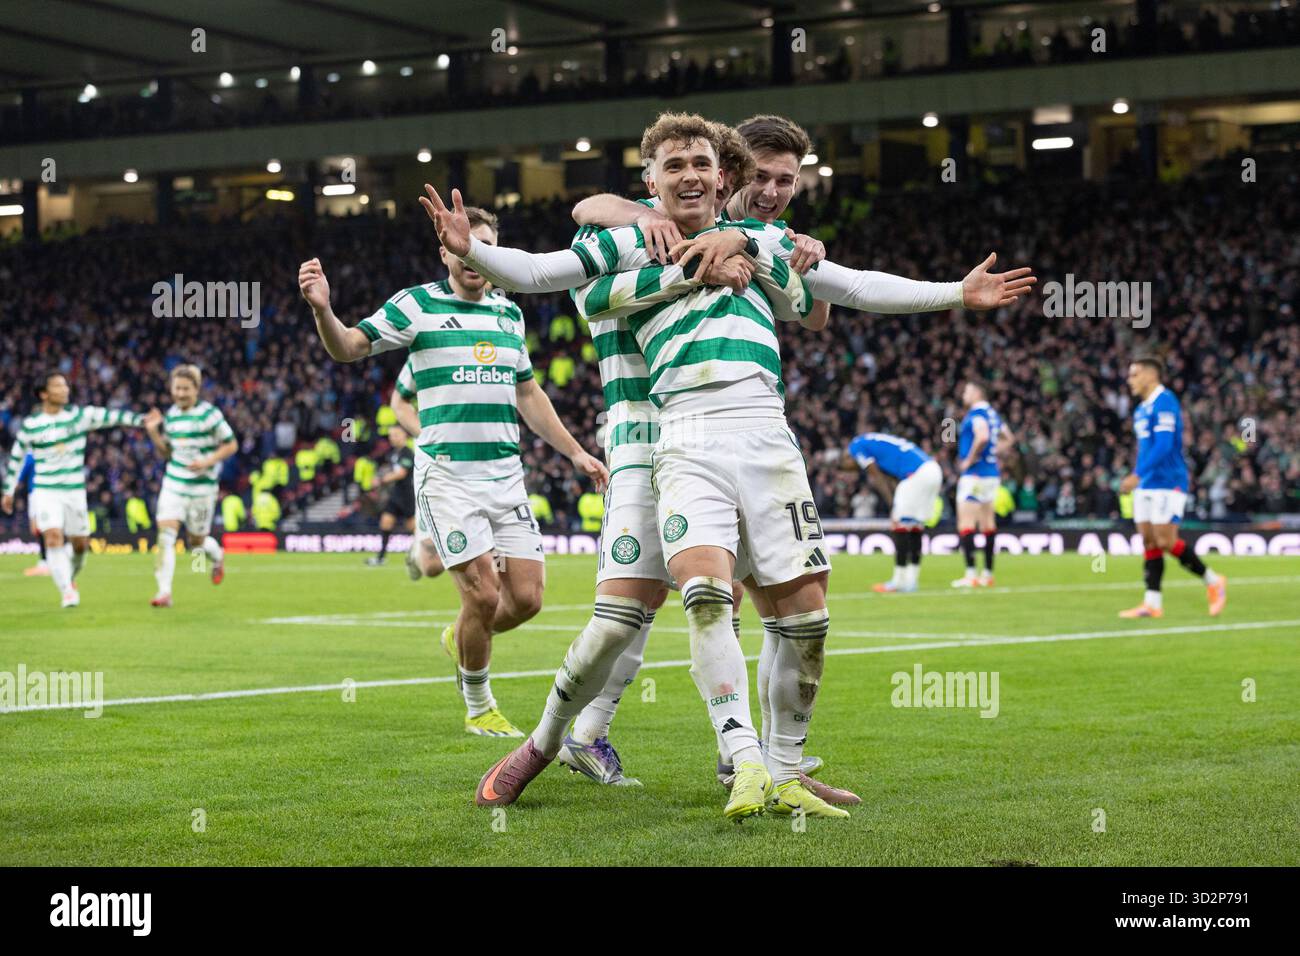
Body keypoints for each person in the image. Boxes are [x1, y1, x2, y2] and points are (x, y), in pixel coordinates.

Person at [439, 112, 1033, 817]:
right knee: (628, 613)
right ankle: (554, 742)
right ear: (656, 177)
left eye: (784, 180)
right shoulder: (625, 237)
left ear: (725, 177)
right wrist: (680, 262)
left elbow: (842, 293)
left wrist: (940, 291)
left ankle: (759, 762)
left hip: (749, 432)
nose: (771, 190)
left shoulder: (761, 241)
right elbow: (563, 265)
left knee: (777, 601)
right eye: (677, 167)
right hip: (643, 436)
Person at [299, 206, 609, 738]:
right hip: (447, 478)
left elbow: (527, 393)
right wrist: (324, 311)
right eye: (460, 243)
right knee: (484, 597)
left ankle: (459, 638)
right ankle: (478, 705)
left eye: (482, 244)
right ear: (444, 249)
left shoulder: (509, 316)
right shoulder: (416, 306)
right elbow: (349, 347)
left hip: (505, 477)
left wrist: (575, 452)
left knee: (528, 600)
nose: (470, 254)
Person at [2, 371, 153, 608]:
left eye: (65, 385)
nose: (65, 390)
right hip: (46, 490)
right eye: (58, 386)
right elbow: (16, 458)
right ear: (44, 394)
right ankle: (67, 592)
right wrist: (8, 491)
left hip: (74, 492)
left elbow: (112, 416)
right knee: (52, 536)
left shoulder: (80, 416)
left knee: (81, 546)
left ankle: (68, 577)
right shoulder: (31, 425)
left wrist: (142, 420)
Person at [1118, 357, 1227, 618]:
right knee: (1148, 539)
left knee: (1166, 540)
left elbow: (1165, 445)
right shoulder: (1140, 410)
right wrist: (1138, 476)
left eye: (1134, 375)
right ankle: (1152, 603)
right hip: (1147, 483)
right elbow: (1145, 449)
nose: (1129, 380)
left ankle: (1213, 580)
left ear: (1149, 376)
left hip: (1168, 482)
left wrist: (1137, 474)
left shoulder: (1165, 401)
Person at [143, 364, 237, 607]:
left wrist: (208, 461)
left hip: (202, 488)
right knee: (165, 535)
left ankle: (217, 557)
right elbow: (166, 454)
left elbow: (230, 444)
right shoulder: (171, 415)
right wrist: (154, 433)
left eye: (186, 389)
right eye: (177, 388)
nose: (181, 393)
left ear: (196, 389)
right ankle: (164, 592)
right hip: (174, 484)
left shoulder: (210, 415)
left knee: (196, 542)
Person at [843, 431, 943, 592]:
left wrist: (891, 503)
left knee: (900, 525)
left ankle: (898, 581)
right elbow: (889, 475)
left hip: (916, 474)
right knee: (916, 526)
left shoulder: (856, 447)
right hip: (933, 470)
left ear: (847, 458)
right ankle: (911, 580)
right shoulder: (874, 440)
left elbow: (877, 476)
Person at [952, 380, 1014, 588]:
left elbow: (983, 436)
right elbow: (1009, 439)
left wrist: (970, 459)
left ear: (978, 393)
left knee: (966, 523)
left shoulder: (976, 414)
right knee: (988, 524)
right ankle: (987, 574)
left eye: (967, 391)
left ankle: (970, 575)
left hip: (975, 474)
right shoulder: (993, 414)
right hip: (991, 474)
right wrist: (993, 454)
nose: (964, 395)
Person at [364, 423, 416, 568]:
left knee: (413, 528)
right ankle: (381, 558)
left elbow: (401, 474)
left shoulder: (407, 452)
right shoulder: (394, 453)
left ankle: (424, 555)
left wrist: (381, 480)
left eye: (395, 435)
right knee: (385, 522)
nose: (392, 438)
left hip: (407, 495)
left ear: (404, 436)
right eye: (390, 435)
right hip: (396, 494)